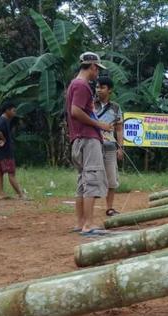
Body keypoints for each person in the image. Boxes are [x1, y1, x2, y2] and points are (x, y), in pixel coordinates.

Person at [66, 51, 113, 236]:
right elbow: (75, 111)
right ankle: (88, 225)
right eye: (97, 69)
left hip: (79, 139)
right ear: (92, 67)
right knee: (92, 180)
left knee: (83, 182)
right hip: (87, 139)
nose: (97, 74)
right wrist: (99, 124)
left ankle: (80, 223)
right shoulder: (82, 85)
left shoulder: (73, 84)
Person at [94, 76, 124, 217]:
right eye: (97, 87)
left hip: (110, 147)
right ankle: (89, 210)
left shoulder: (116, 107)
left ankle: (110, 208)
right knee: (92, 177)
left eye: (102, 87)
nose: (99, 90)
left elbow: (119, 129)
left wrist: (120, 147)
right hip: (93, 145)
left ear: (110, 90)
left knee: (111, 179)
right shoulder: (91, 105)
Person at [0, 101, 26, 200]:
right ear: (7, 110)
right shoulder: (3, 120)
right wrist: (3, 139)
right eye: (13, 110)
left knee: (0, 172)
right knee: (11, 173)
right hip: (5, 151)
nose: (15, 113)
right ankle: (21, 194)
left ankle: (0, 194)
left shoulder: (0, 119)